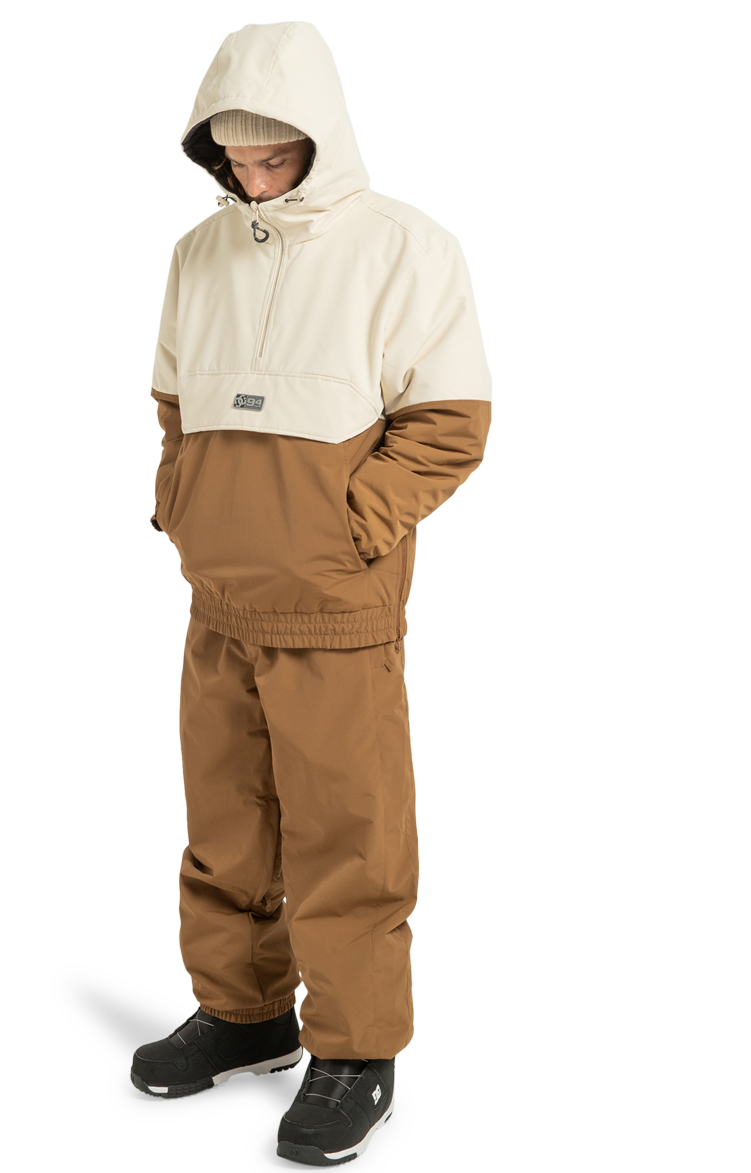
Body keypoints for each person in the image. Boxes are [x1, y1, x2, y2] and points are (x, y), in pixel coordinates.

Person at [129, 21, 491, 1168]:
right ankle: (245, 1016)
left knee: (347, 835)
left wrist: (349, 528)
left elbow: (448, 425)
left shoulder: (402, 247)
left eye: (274, 155)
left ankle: (356, 1049)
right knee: (226, 827)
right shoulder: (198, 252)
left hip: (335, 605)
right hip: (217, 595)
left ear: (319, 140)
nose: (253, 178)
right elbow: (174, 405)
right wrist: (184, 506)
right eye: (232, 158)